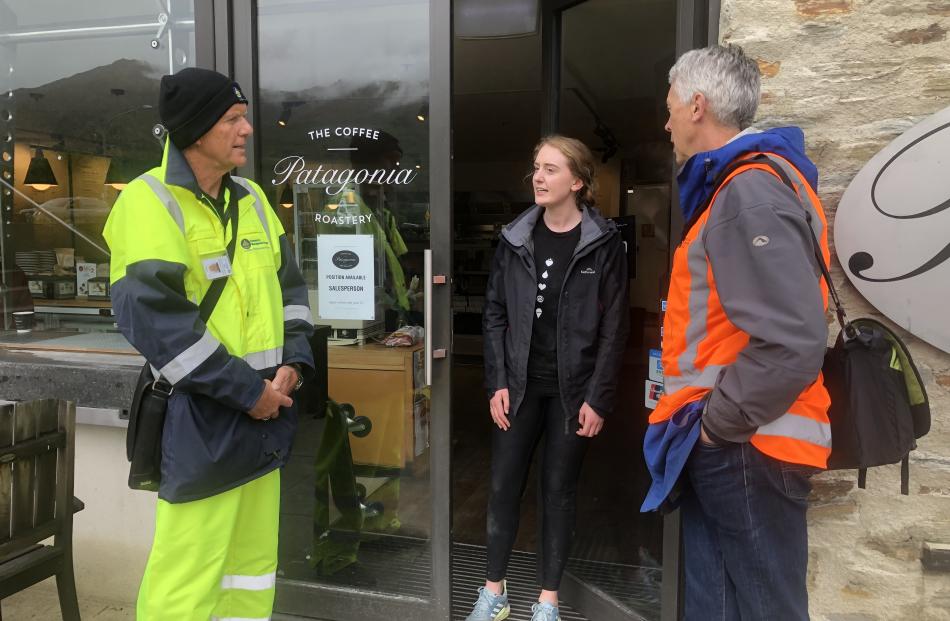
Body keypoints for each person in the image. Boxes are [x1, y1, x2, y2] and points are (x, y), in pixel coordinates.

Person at [103, 67, 315, 620]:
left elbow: (290, 290)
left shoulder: (253, 198)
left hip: (266, 416)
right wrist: (250, 392)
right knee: (188, 576)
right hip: (203, 419)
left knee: (250, 569)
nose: (246, 129)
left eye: (243, 117)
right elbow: (158, 323)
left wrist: (295, 360)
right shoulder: (148, 202)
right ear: (196, 131)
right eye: (232, 119)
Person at [643, 44, 831, 620]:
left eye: (671, 104)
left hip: (747, 443)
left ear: (697, 105)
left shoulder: (746, 191)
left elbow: (793, 338)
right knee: (715, 606)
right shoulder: (738, 188)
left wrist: (716, 428)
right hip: (735, 439)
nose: (667, 118)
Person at [470, 135, 629, 621]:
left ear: (578, 181)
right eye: (536, 168)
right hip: (517, 390)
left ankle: (547, 602)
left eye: (551, 169)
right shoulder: (514, 238)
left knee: (558, 492)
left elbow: (614, 327)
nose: (538, 177)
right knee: (502, 487)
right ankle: (493, 593)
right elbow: (494, 313)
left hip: (571, 392)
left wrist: (598, 398)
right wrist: (496, 381)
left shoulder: (604, 244)